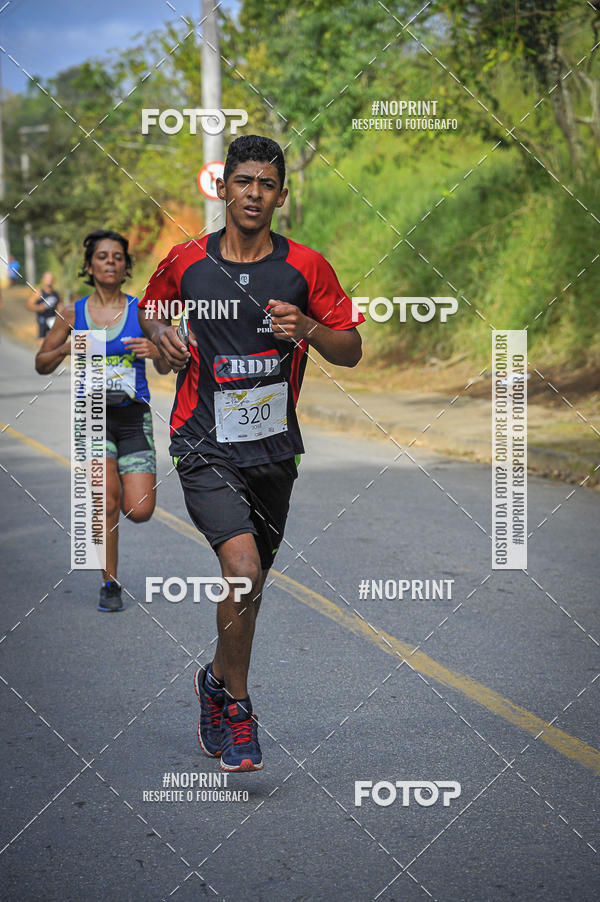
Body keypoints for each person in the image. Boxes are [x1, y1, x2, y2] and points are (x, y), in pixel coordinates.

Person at [139, 135, 364, 772]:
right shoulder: (185, 262)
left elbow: (350, 348)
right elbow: (151, 314)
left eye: (266, 185)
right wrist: (163, 339)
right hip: (202, 440)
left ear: (281, 196)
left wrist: (310, 329)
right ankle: (238, 710)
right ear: (224, 188)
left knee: (252, 584)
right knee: (241, 568)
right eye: (243, 182)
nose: (254, 194)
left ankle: (214, 680)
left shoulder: (306, 268)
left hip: (273, 450)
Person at [35, 229, 170, 612]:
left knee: (139, 509)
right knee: (106, 501)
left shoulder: (141, 311)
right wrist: (66, 347)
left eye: (117, 257)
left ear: (126, 266)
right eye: (102, 256)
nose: (110, 262)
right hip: (91, 417)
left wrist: (154, 349)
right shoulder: (72, 313)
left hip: (133, 418)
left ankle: (112, 552)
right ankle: (109, 582)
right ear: (90, 266)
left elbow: (165, 366)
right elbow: (41, 364)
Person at [27, 271, 63, 343]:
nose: (49, 280)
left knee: (54, 342)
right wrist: (39, 307)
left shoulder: (56, 294)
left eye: (50, 279)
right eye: (47, 278)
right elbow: (29, 305)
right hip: (42, 320)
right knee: (42, 342)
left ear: (53, 281)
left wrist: (62, 311)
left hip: (52, 320)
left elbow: (60, 306)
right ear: (43, 280)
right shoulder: (39, 293)